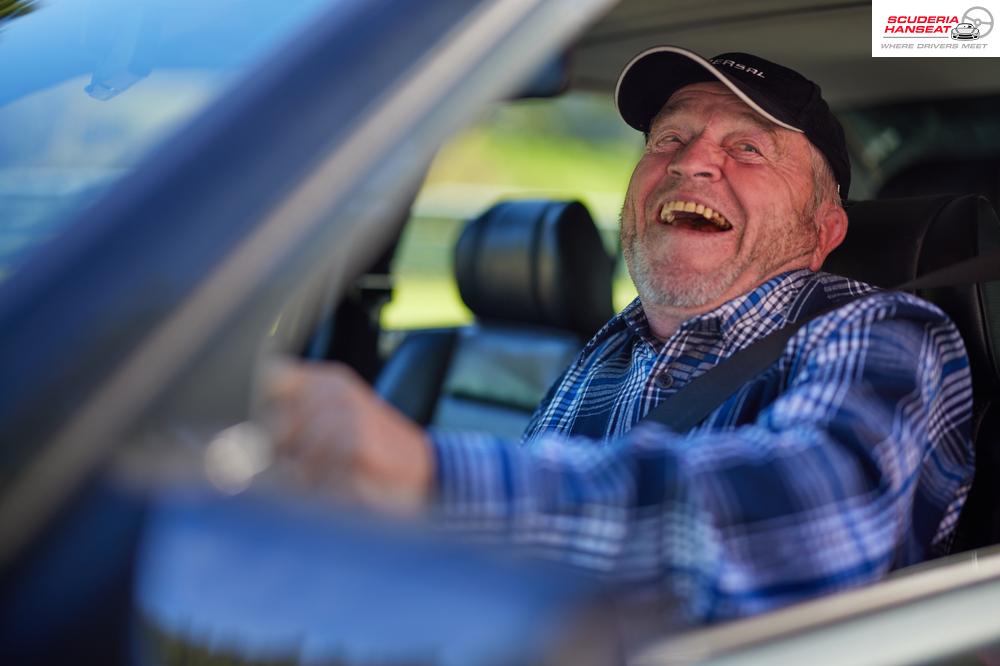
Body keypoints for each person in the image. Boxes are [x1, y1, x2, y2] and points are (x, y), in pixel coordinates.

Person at [266, 47, 975, 624]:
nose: (692, 161)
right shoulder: (611, 348)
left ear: (824, 231)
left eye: (750, 149)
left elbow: (815, 523)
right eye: (670, 137)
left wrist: (426, 477)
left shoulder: (883, 330)